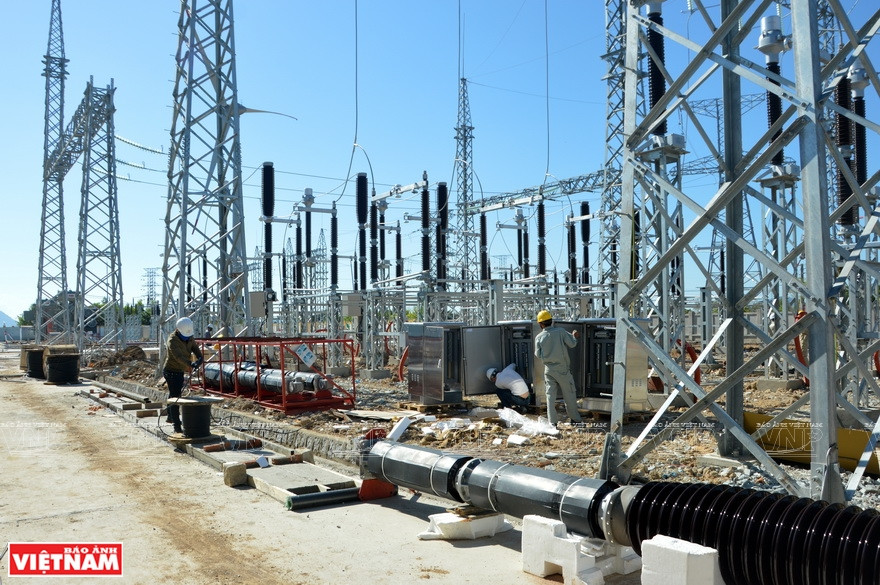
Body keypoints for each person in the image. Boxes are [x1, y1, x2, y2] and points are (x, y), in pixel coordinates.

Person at [534, 309, 583, 426]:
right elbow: (572, 344)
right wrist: (574, 336)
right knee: (569, 394)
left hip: (548, 370)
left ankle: (553, 422)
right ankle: (575, 419)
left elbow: (538, 354)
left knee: (550, 396)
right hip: (562, 370)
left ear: (540, 324)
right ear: (551, 321)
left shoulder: (539, 337)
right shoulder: (560, 332)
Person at [162, 317, 203, 434]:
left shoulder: (189, 336)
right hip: (170, 370)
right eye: (185, 336)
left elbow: (195, 347)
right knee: (175, 396)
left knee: (174, 393)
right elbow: (178, 357)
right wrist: (190, 363)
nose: (187, 338)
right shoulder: (172, 340)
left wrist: (200, 358)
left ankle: (170, 416)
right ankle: (176, 425)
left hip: (179, 371)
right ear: (178, 330)